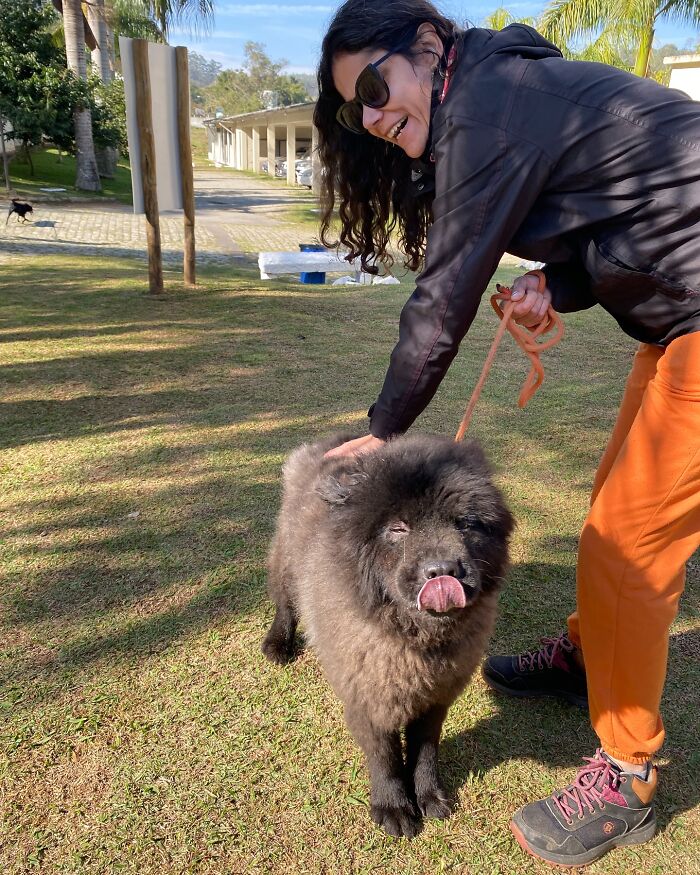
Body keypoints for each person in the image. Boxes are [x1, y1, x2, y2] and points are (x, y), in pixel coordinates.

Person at [312, 0, 700, 867]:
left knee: (632, 546)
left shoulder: (485, 108)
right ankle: (591, 657)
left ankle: (629, 770)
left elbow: (443, 294)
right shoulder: (500, 88)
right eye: (355, 109)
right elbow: (618, 215)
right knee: (611, 511)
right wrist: (555, 289)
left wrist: (384, 431)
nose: (373, 116)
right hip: (682, 324)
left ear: (426, 43)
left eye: (375, 85)